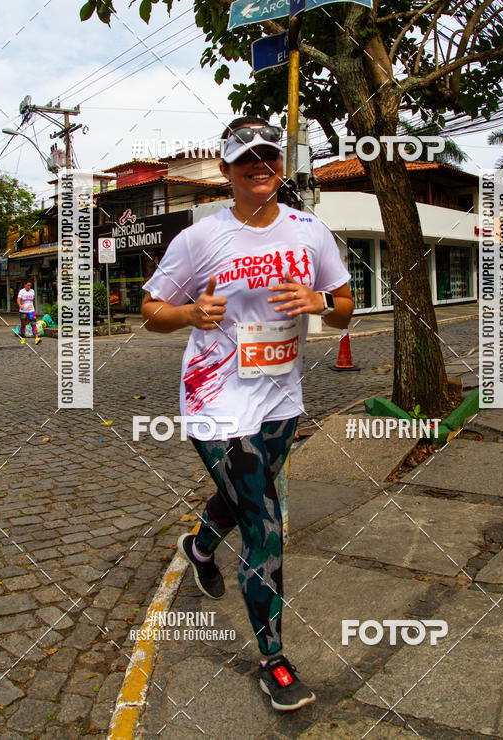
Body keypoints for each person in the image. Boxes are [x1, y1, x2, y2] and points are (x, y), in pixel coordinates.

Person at [141, 116, 353, 712]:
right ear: (226, 171)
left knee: (241, 498)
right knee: (264, 522)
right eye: (246, 159)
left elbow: (344, 307)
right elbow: (150, 309)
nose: (260, 166)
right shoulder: (200, 238)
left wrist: (319, 302)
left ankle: (199, 547)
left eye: (269, 156)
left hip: (280, 397)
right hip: (215, 397)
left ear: (281, 166)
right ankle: (274, 660)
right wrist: (189, 315)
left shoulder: (310, 231)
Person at [17, 280, 41, 345]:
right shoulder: (21, 291)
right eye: (28, 285)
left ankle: (36, 338)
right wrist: (20, 305)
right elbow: (18, 300)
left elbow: (33, 300)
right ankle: (22, 338)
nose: (29, 287)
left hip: (31, 311)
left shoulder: (32, 291)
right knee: (23, 324)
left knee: (33, 324)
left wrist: (34, 307)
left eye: (30, 285)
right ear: (25, 285)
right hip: (23, 311)